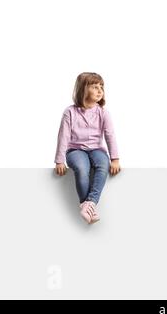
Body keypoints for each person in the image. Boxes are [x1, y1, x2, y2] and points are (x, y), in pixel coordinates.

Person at [54, 72, 121, 224]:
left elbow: (110, 135)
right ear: (83, 89)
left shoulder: (103, 113)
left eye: (101, 87)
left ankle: (89, 203)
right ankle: (86, 205)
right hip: (75, 149)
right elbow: (63, 136)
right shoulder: (70, 112)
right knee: (81, 168)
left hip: (97, 149)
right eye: (95, 87)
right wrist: (59, 161)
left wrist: (115, 158)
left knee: (103, 165)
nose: (100, 91)